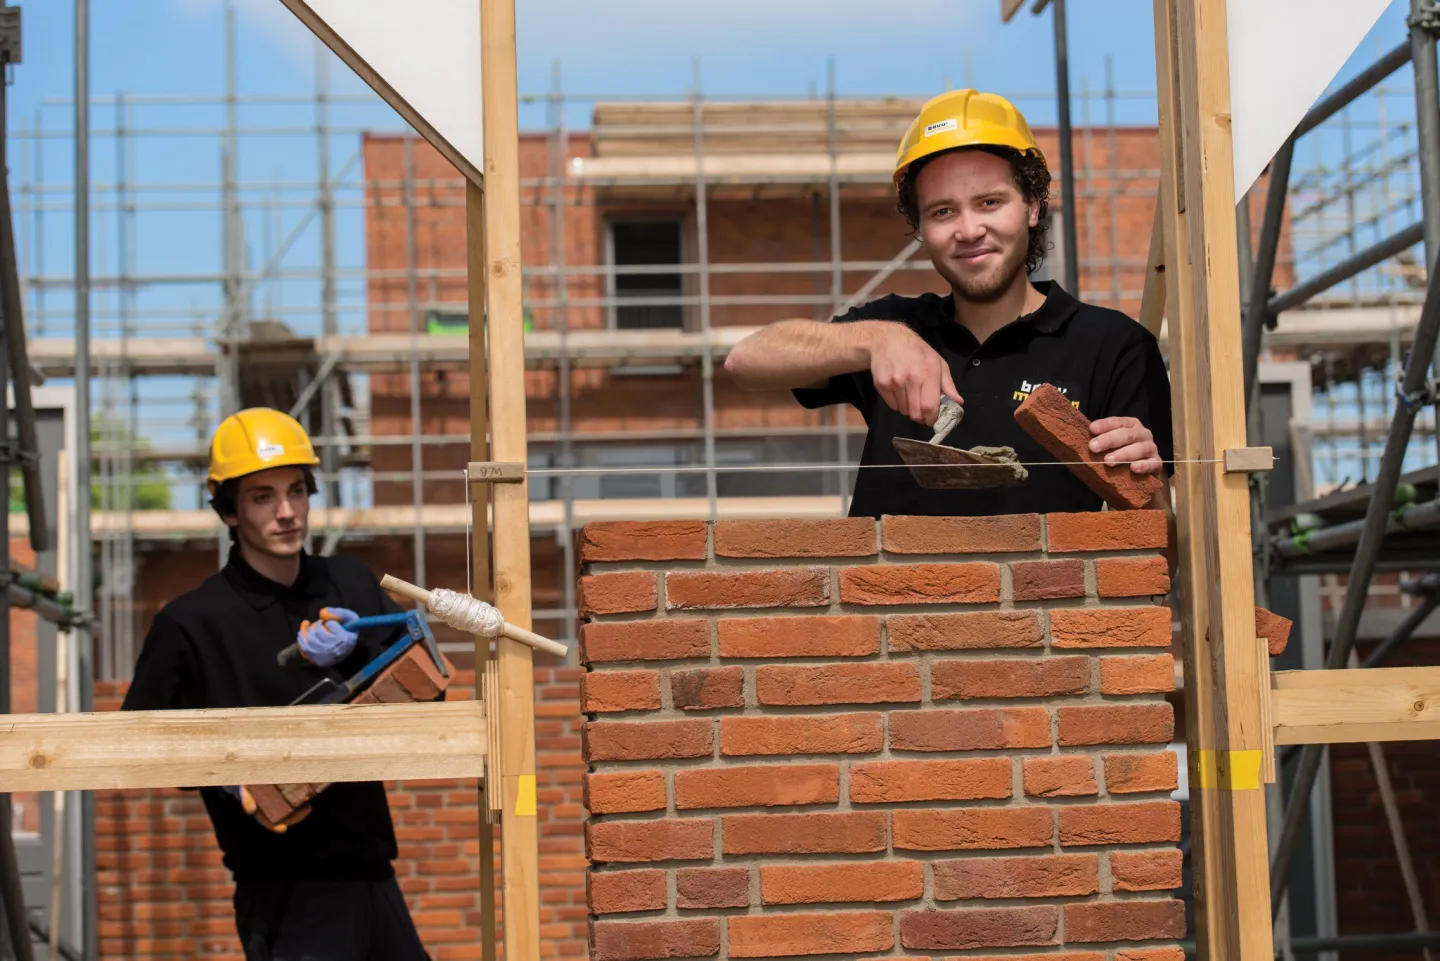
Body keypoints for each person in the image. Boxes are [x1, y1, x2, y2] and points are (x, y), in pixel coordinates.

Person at [724, 89, 1174, 519]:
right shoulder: (896, 324)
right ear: (921, 227)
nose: (968, 229)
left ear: (1033, 207)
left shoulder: (1112, 345)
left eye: (990, 202)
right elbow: (746, 361)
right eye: (943, 211)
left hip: (1043, 599)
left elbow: (1163, 553)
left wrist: (1141, 484)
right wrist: (876, 340)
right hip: (891, 598)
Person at [122, 407, 430, 961]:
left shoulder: (351, 581)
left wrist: (359, 649)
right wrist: (224, 777)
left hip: (372, 872)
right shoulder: (191, 622)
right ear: (229, 510)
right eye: (263, 496)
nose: (287, 513)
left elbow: (429, 688)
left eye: (296, 491)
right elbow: (137, 741)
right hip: (284, 887)